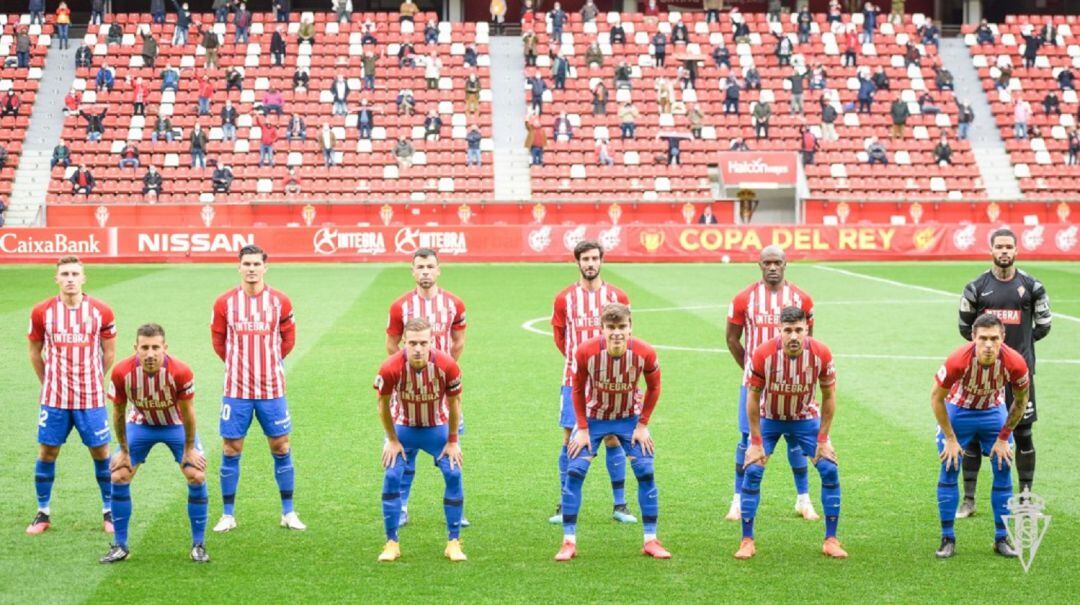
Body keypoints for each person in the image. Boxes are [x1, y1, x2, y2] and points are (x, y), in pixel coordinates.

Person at [555, 303, 669, 562]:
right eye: (611, 327)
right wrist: (582, 428)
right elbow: (576, 390)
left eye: (622, 327)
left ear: (631, 327)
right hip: (594, 419)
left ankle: (651, 540)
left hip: (629, 419)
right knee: (574, 471)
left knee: (645, 470)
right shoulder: (585, 352)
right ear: (602, 329)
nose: (617, 332)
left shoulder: (645, 353)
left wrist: (642, 424)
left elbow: (654, 387)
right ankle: (568, 542)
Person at [734, 306, 846, 560]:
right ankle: (747, 540)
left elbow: (829, 397)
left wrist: (823, 439)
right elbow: (752, 398)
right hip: (769, 419)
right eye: (788, 330)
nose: (793, 336)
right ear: (779, 331)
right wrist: (754, 441)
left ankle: (831, 539)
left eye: (798, 330)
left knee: (829, 468)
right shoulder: (763, 354)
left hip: (805, 419)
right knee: (752, 470)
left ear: (806, 329)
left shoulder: (821, 353)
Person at [954, 229, 1051, 517]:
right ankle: (969, 500)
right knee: (972, 435)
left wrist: (1018, 352)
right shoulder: (976, 287)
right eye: (999, 246)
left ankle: (1023, 498)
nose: (1004, 251)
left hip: (1019, 374)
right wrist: (988, 353)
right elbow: (964, 327)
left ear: (1017, 250)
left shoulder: (1033, 287)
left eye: (1009, 246)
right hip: (980, 375)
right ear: (991, 249)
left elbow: (1044, 324)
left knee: (1023, 432)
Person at [211, 246, 304, 534]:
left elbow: (288, 340)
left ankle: (288, 512)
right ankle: (228, 514)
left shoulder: (280, 302)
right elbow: (218, 341)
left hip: (272, 389)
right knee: (231, 447)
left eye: (256, 264)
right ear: (238, 267)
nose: (251, 269)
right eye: (246, 264)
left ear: (266, 267)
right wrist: (238, 365)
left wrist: (269, 363)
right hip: (236, 390)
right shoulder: (225, 302)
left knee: (281, 446)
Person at [724, 246, 819, 522]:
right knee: (746, 439)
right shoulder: (745, 298)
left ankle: (803, 499)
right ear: (759, 265)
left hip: (794, 384)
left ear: (786, 264)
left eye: (778, 262)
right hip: (755, 386)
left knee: (796, 438)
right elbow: (731, 339)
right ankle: (738, 500)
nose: (773, 267)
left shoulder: (802, 299)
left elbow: (807, 341)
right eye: (768, 263)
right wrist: (754, 371)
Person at [26, 257, 117, 536]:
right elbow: (34, 352)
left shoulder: (101, 311)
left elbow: (109, 352)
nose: (69, 278)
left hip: (90, 398)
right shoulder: (42, 312)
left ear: (84, 278)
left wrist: (92, 379)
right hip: (54, 399)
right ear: (56, 279)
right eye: (64, 273)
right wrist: (49, 382)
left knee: (101, 451)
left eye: (75, 273)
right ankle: (43, 512)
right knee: (47, 451)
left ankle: (109, 510)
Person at [547, 242, 636, 524]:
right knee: (570, 437)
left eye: (595, 258)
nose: (590, 263)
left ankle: (620, 505)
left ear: (601, 261)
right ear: (577, 262)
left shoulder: (617, 295)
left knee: (612, 437)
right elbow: (560, 337)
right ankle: (565, 503)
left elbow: (626, 335)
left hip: (612, 380)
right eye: (585, 259)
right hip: (574, 379)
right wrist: (581, 363)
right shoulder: (564, 299)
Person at [100, 323, 205, 560]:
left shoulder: (181, 371)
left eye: (155, 347)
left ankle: (198, 545)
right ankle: (120, 546)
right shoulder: (121, 372)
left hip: (175, 424)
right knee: (119, 474)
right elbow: (118, 412)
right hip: (141, 424)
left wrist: (189, 449)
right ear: (135, 348)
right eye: (144, 347)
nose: (150, 353)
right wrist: (124, 451)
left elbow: (188, 413)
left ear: (164, 348)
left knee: (197, 475)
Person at [932, 313, 1029, 559]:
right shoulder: (958, 360)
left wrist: (1004, 437)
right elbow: (936, 398)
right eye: (983, 338)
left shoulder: (1015, 362)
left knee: (1003, 464)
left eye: (994, 338)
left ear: (1002, 339)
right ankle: (947, 538)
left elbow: (1020, 401)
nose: (988, 344)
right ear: (973, 337)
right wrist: (951, 439)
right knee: (950, 465)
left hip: (992, 411)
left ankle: (1001, 538)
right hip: (959, 410)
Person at [375, 318, 467, 563]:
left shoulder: (447, 365)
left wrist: (452, 440)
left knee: (454, 473)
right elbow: (382, 406)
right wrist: (392, 440)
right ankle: (392, 542)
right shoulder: (390, 367)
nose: (417, 348)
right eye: (413, 343)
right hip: (403, 428)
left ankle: (453, 542)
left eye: (423, 343)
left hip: (436, 427)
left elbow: (454, 404)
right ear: (404, 342)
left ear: (431, 342)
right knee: (393, 475)